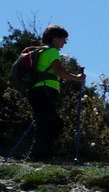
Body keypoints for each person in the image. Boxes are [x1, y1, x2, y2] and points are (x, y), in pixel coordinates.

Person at [26, 25, 86, 161]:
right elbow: (59, 72)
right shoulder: (52, 52)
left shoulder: (41, 51)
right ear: (54, 38)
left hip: (36, 90)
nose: (65, 42)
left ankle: (40, 155)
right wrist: (77, 78)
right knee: (50, 123)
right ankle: (38, 156)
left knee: (47, 122)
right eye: (63, 39)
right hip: (45, 90)